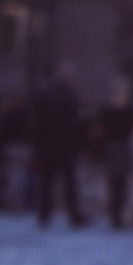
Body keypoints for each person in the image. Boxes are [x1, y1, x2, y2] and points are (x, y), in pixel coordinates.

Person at [31, 63, 87, 228]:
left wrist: (38, 144)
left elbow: (36, 123)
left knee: (47, 182)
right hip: (64, 145)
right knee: (68, 182)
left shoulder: (45, 94)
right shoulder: (68, 95)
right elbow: (77, 121)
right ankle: (73, 215)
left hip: (48, 145)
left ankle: (44, 215)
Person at [93, 76, 133, 230]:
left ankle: (118, 214)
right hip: (112, 149)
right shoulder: (106, 113)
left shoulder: (129, 112)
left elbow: (132, 130)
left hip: (122, 148)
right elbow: (100, 133)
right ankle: (114, 215)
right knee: (113, 184)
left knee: (122, 185)